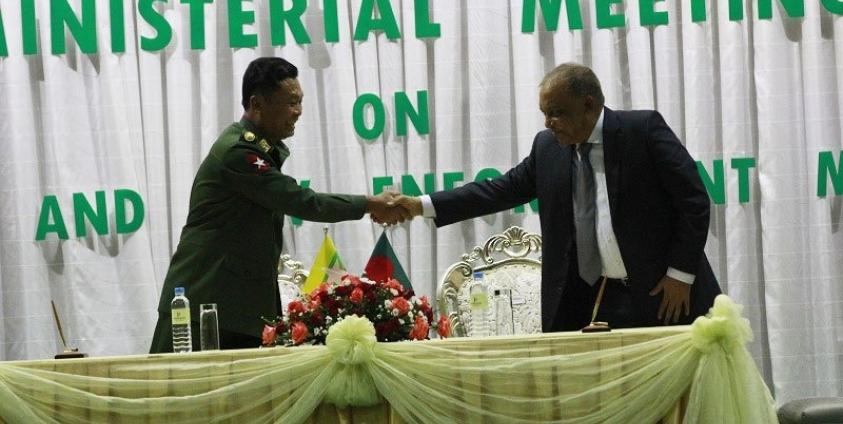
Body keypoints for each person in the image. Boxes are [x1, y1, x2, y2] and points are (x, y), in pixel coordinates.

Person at [395, 63, 721, 331]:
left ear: (589, 105)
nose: (548, 123)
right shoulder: (548, 148)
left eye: (556, 112)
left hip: (663, 293)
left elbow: (693, 201)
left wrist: (681, 274)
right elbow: (497, 191)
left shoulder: (642, 130)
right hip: (595, 300)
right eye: (544, 113)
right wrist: (419, 205)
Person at [150, 57, 407, 353]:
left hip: (235, 307)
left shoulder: (255, 148)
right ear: (257, 104)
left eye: (300, 102)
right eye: (290, 103)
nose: (298, 112)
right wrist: (370, 204)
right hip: (204, 308)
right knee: (176, 395)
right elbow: (302, 201)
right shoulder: (239, 152)